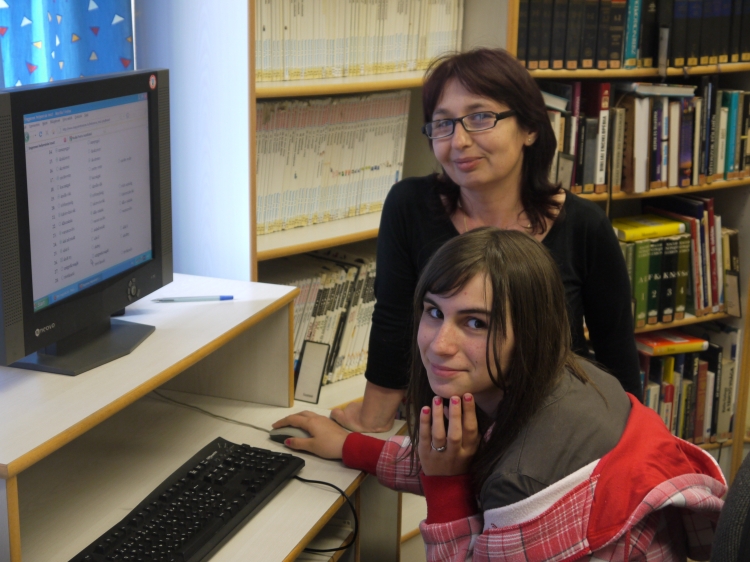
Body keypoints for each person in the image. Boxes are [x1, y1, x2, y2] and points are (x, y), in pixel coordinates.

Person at [275, 228, 725, 561]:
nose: (439, 344)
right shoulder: (571, 374)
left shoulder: (523, 481)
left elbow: (470, 473)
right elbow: (466, 454)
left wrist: (445, 485)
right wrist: (352, 447)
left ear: (530, 331)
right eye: (434, 312)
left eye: (475, 323)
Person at [330, 48, 641, 434]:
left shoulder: (585, 225)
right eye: (443, 124)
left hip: (550, 429)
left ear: (530, 128)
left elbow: (616, 353)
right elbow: (393, 322)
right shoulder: (409, 205)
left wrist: (631, 445)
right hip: (440, 427)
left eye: (480, 118)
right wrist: (371, 424)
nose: (459, 141)